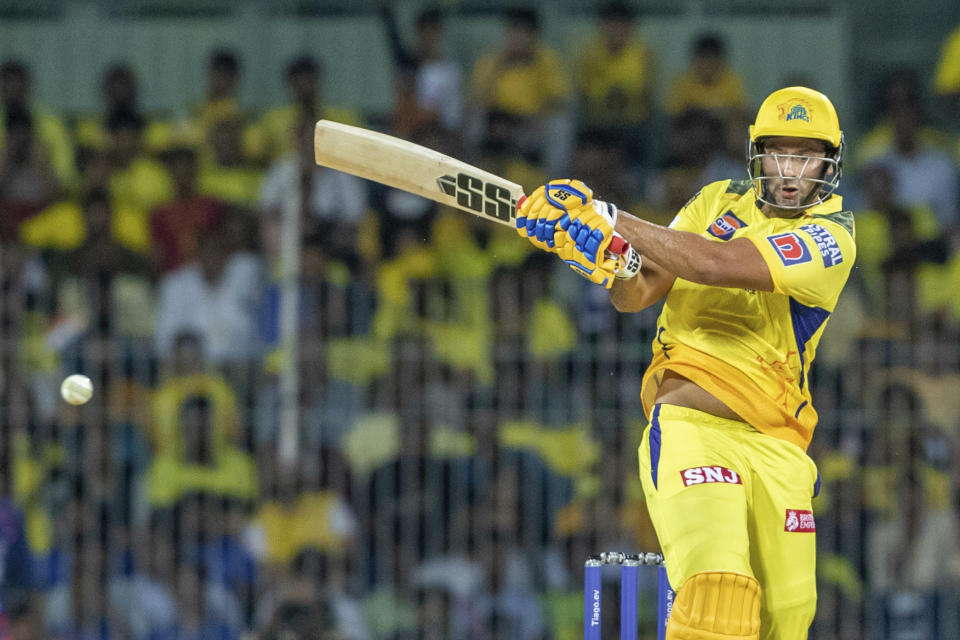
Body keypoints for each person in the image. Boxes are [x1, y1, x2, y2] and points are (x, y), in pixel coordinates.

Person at [515, 86, 856, 639]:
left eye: (807, 154)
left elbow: (717, 264)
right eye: (779, 152)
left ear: (831, 161)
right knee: (717, 597)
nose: (791, 169)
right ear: (757, 152)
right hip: (692, 430)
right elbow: (640, 293)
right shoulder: (716, 200)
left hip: (780, 448)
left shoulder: (834, 235)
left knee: (785, 622)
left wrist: (608, 216)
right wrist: (611, 261)